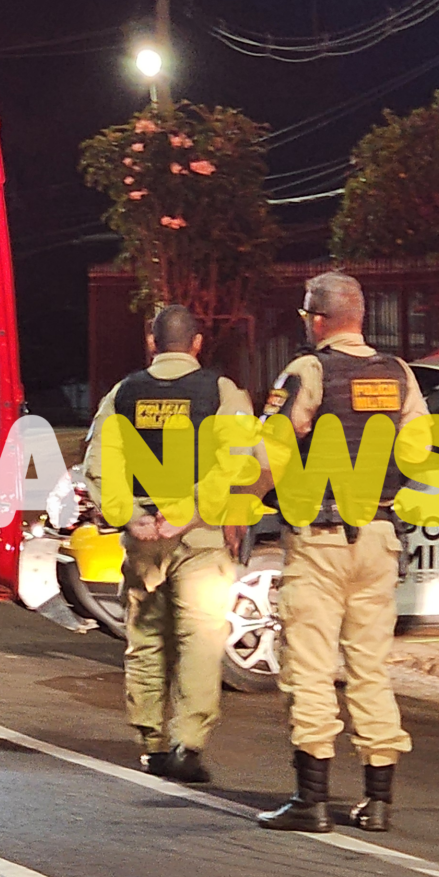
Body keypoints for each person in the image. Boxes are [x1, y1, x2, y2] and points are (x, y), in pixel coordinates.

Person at [256, 271, 428, 833]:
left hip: (320, 539)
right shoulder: (398, 373)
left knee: (308, 667)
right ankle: (378, 802)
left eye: (306, 314)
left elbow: (272, 452)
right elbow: (419, 451)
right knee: (369, 667)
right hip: (379, 536)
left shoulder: (308, 371)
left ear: (318, 319)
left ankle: (311, 801)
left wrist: (240, 503)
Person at [83, 305, 253, 783]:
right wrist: (194, 509)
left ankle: (151, 745)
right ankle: (187, 745)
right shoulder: (221, 391)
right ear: (197, 343)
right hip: (199, 535)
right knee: (200, 638)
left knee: (146, 637)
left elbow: (99, 463)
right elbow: (239, 460)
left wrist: (130, 516)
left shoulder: (123, 392)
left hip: (144, 538)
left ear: (152, 342)